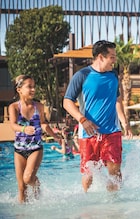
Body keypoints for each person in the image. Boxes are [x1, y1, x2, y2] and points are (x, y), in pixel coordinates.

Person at [63, 40, 133, 193]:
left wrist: (124, 122)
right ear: (101, 57)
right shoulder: (82, 75)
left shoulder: (113, 76)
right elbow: (67, 102)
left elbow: (117, 100)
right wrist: (82, 120)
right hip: (88, 133)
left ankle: (114, 207)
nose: (114, 61)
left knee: (115, 171)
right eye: (112, 57)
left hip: (112, 131)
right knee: (88, 175)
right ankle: (88, 205)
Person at [8, 75, 62, 203]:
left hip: (35, 148)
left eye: (34, 87)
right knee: (21, 188)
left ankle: (37, 186)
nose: (33, 90)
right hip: (19, 150)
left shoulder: (39, 106)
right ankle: (23, 214)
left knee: (28, 179)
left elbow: (43, 123)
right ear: (19, 89)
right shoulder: (14, 107)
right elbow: (13, 125)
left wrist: (55, 136)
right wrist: (23, 129)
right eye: (29, 87)